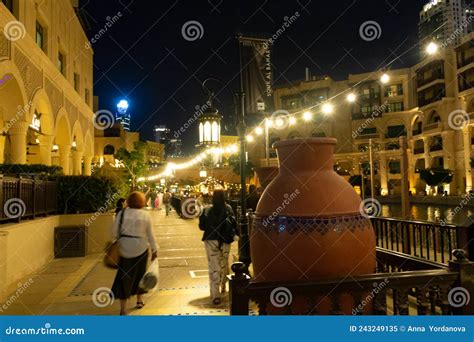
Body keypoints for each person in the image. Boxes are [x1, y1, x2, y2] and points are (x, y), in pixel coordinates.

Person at [111, 192, 158, 315]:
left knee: (124, 277)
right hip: (141, 249)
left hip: (124, 248)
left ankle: (123, 308)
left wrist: (116, 242)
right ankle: (139, 301)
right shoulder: (145, 215)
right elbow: (150, 234)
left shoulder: (122, 213)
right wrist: (154, 249)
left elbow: (114, 232)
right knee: (140, 276)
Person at [199, 190, 235, 305]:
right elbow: (234, 223)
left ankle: (215, 295)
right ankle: (224, 284)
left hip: (211, 240)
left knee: (214, 267)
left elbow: (202, 226)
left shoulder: (207, 209)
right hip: (225, 240)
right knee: (224, 263)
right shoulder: (228, 208)